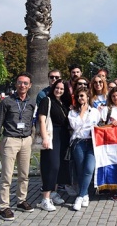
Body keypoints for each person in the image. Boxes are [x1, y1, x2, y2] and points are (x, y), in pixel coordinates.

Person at [0, 72, 36, 221]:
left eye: (25, 83)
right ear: (16, 84)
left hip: (26, 141)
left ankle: (21, 201)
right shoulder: (7, 102)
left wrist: (31, 137)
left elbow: (32, 121)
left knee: (24, 174)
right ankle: (4, 207)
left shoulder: (31, 102)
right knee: (7, 176)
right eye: (20, 82)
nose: (22, 85)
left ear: (29, 86)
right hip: (10, 140)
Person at [37, 79, 72, 211]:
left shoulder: (64, 102)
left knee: (60, 166)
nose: (59, 90)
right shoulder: (47, 100)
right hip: (52, 135)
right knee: (51, 166)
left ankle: (53, 193)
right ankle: (45, 198)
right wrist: (45, 137)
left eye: (62, 89)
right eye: (57, 88)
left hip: (63, 136)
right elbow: (42, 119)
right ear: (53, 88)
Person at [68, 87, 101, 211]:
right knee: (81, 169)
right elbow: (75, 126)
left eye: (83, 96)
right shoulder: (73, 112)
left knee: (89, 169)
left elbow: (97, 125)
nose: (81, 98)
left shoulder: (95, 111)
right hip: (79, 143)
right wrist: (81, 112)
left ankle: (80, 196)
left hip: (91, 143)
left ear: (88, 97)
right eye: (78, 96)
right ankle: (85, 194)